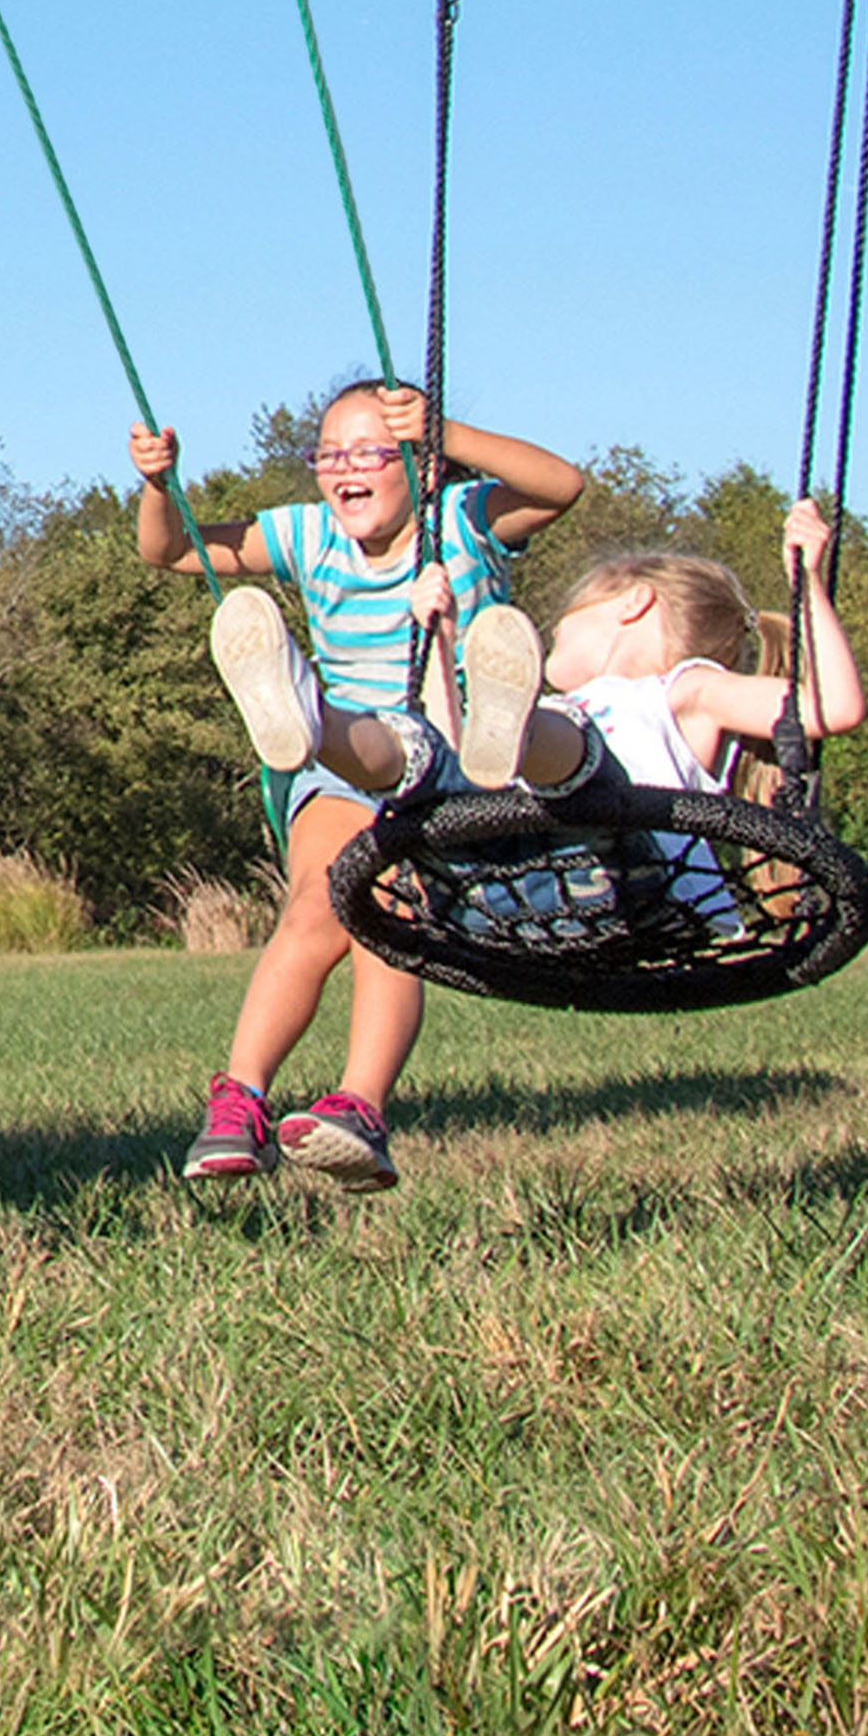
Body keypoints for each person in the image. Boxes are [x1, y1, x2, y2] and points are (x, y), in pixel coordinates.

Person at [130, 377, 582, 1191]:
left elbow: (562, 486)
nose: (345, 471)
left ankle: (358, 1109)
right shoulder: (308, 534)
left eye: (371, 452)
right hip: (341, 771)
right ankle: (241, 1100)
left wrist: (451, 432)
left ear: (417, 461)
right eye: (328, 455)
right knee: (314, 907)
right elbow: (170, 551)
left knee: (390, 914)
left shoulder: (462, 522)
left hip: (453, 764)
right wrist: (159, 488)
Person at [218, 498, 868, 933]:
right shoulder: (567, 707)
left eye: (571, 613)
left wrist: (810, 581)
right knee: (425, 755)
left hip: (637, 887)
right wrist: (440, 643)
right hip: (518, 887)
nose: (557, 624)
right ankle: (316, 721)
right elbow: (459, 753)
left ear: (634, 603)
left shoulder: (684, 691)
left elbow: (831, 710)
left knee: (578, 757)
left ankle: (515, 737)